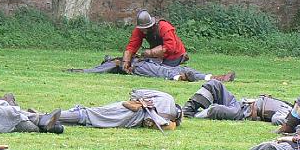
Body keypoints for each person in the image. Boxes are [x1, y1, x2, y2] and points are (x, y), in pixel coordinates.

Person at [58, 89, 182, 130]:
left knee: (90, 114)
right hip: (129, 118)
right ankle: (44, 118)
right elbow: (136, 95)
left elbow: (135, 93)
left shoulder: (167, 100)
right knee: (90, 117)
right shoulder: (167, 117)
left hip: (127, 112)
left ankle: (43, 118)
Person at [182, 79, 293, 125]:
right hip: (240, 104)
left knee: (216, 110)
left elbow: (276, 119)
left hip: (243, 114)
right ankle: (187, 110)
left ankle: (195, 115)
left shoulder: (289, 113)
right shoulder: (289, 106)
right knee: (215, 84)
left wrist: (296, 123)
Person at [68, 55, 235, 82]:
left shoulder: (127, 58)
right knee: (166, 72)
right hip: (140, 68)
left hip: (147, 63)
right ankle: (180, 78)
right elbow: (96, 70)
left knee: (176, 68)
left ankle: (212, 77)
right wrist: (79, 71)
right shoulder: (114, 63)